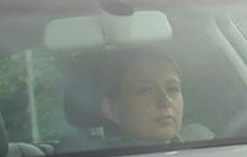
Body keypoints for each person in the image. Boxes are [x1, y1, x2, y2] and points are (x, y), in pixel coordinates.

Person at [58, 48, 196, 151]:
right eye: (145, 90)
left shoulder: (202, 151)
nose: (165, 101)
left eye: (173, 89)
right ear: (112, 110)